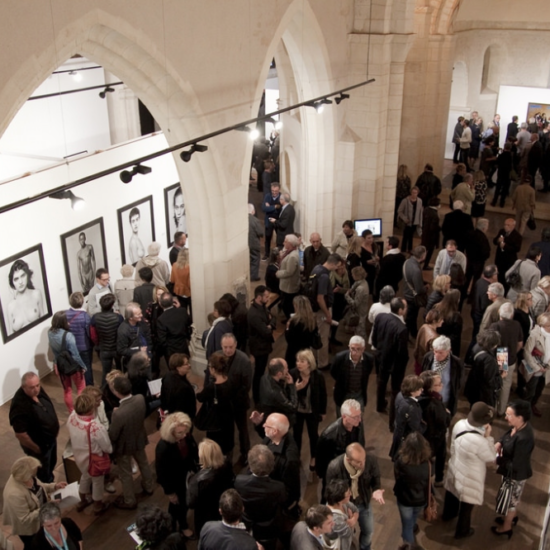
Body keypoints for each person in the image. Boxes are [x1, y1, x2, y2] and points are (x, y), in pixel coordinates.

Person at [442, 402, 496, 539]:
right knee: (466, 506)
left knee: (452, 492)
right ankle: (462, 531)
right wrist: (489, 437)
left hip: (456, 465)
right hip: (471, 475)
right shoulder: (480, 441)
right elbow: (490, 457)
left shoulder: (459, 424)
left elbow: (453, 445)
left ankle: (448, 515)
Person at [326, 443, 385, 550]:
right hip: (344, 506)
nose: (363, 464)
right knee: (348, 536)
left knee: (369, 531)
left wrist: (376, 489)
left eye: (364, 459)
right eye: (358, 462)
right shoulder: (334, 467)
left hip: (364, 502)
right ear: (349, 460)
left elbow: (376, 477)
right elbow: (331, 493)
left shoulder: (371, 460)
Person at [109, 376, 155, 509]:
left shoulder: (119, 414)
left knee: (125, 473)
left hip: (124, 446)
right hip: (139, 437)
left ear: (117, 392)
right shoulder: (140, 398)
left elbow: (113, 434)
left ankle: (129, 500)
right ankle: (149, 486)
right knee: (144, 463)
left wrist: (113, 416)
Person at [2, 457, 66, 550]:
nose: (35, 473)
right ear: (26, 475)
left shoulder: (27, 477)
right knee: (33, 545)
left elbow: (40, 487)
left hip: (40, 518)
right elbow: (25, 519)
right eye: (33, 472)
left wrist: (54, 486)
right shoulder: (14, 494)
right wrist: (46, 507)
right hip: (29, 529)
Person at [493, 400, 535, 538]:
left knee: (511, 502)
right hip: (509, 472)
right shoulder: (518, 427)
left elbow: (516, 464)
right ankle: (511, 518)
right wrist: (499, 442)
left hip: (516, 475)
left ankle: (506, 527)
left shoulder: (524, 437)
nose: (506, 417)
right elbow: (507, 435)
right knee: (511, 500)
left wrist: (497, 459)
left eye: (509, 415)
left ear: (520, 417)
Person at [9, 373, 60, 484]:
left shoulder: (36, 391)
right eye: (32, 387)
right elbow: (20, 434)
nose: (36, 389)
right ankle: (47, 490)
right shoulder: (20, 406)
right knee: (43, 472)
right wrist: (36, 449)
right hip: (40, 447)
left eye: (38, 385)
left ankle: (50, 480)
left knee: (51, 464)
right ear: (23, 387)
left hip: (49, 441)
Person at [235, 444, 286, 548]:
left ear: (250, 465)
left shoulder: (239, 482)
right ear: (272, 466)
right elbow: (283, 501)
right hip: (269, 526)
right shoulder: (278, 487)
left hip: (247, 523)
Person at [67, 393, 111, 514]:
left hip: (79, 457)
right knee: (97, 482)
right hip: (94, 460)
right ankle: (98, 505)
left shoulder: (71, 417)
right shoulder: (95, 427)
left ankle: (82, 501)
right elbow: (107, 447)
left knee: (85, 477)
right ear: (91, 409)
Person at [155, 412, 198, 538]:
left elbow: (193, 451)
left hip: (187, 476)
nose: (184, 435)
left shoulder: (186, 436)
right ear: (171, 432)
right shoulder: (163, 447)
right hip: (174, 481)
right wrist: (170, 493)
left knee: (183, 503)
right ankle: (179, 527)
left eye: (185, 431)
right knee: (176, 505)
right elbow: (161, 473)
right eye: (180, 433)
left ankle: (176, 526)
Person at [249, 412, 301, 515]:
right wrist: (259, 424)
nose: (264, 425)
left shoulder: (289, 459)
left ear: (274, 431)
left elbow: (290, 491)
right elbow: (267, 436)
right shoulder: (278, 435)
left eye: (266, 424)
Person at [372, 297, 409, 428]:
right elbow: (402, 352)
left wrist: (379, 351)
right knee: (395, 390)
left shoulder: (380, 317)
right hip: (395, 364)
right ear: (400, 310)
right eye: (405, 308)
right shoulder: (402, 328)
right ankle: (392, 421)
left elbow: (374, 337)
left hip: (381, 357)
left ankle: (379, 405)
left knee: (381, 382)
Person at [186, 438, 234, 536]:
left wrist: (188, 483)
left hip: (205, 515)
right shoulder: (226, 464)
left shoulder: (197, 480)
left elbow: (190, 503)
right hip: (222, 507)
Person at [315, 399, 365, 492]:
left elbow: (361, 444)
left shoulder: (358, 424)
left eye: (360, 415)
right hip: (336, 475)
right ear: (344, 416)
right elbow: (321, 460)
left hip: (352, 470)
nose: (359, 419)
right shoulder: (328, 435)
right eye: (355, 417)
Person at [290, 349, 327, 470]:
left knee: (313, 435)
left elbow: (323, 394)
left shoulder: (318, 376)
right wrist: (296, 388)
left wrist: (323, 411)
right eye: (297, 361)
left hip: (312, 411)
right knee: (296, 435)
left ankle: (314, 457)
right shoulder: (293, 374)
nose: (298, 364)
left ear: (309, 363)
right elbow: (288, 394)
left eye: (302, 361)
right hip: (298, 411)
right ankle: (296, 457)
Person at [393, 432, 431, 548]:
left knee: (407, 526)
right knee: (413, 519)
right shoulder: (427, 464)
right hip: (421, 499)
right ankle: (412, 527)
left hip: (405, 499)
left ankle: (408, 545)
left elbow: (397, 477)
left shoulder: (401, 462)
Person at [48, 311, 87, 412]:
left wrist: (55, 363)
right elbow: (75, 355)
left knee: (67, 390)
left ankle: (71, 412)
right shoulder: (68, 336)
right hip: (73, 366)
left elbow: (54, 351)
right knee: (80, 388)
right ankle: (81, 409)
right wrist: (83, 366)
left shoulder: (50, 333)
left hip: (61, 365)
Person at [489, 302, 524, 415]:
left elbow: (490, 344)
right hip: (511, 357)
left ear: (500, 313)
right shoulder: (517, 325)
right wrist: (513, 353)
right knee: (506, 385)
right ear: (512, 315)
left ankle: (492, 408)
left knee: (495, 384)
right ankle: (501, 410)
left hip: (500, 355)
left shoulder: (496, 326)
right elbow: (520, 344)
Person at [418, 371, 449, 486]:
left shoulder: (419, 399)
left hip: (425, 436)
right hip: (435, 437)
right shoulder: (434, 404)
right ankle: (438, 479)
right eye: (438, 384)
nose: (442, 385)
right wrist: (447, 414)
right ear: (430, 388)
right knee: (439, 456)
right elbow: (444, 422)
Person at [421, 335, 463, 416]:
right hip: (428, 399)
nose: (437, 355)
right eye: (435, 351)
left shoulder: (457, 363)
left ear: (448, 351)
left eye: (441, 353)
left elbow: (458, 383)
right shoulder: (428, 357)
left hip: (445, 399)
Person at [247, 285, 276, 403]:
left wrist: (271, 324)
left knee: (261, 370)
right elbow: (266, 332)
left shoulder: (262, 307)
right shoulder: (254, 314)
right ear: (259, 297)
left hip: (263, 345)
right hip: (259, 347)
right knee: (258, 372)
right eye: (266, 297)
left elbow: (273, 318)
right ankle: (257, 397)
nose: (268, 299)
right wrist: (269, 326)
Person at [311, 254, 340, 369]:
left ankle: (313, 359)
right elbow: (320, 298)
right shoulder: (324, 276)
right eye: (337, 266)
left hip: (313, 309)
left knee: (314, 334)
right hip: (322, 310)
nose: (337, 268)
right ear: (332, 264)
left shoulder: (316, 268)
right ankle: (323, 363)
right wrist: (328, 315)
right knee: (323, 337)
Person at [330, 336, 373, 414]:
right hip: (343, 393)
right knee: (342, 419)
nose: (355, 352)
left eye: (358, 349)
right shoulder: (340, 358)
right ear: (349, 347)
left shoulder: (369, 359)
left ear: (363, 349)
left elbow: (367, 373)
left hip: (359, 394)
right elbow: (333, 372)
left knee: (358, 419)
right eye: (352, 349)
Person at [464, 330, 504, 408]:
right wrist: (501, 377)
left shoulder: (476, 347)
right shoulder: (489, 359)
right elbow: (490, 381)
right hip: (483, 394)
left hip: (473, 387)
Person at [389, 375, 425, 460]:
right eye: (419, 389)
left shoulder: (400, 395)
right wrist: (425, 425)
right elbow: (416, 428)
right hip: (406, 439)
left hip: (398, 432)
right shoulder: (411, 408)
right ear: (412, 392)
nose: (422, 390)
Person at [91, 293, 123, 387]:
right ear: (112, 305)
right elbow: (121, 334)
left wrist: (97, 344)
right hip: (116, 348)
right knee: (119, 370)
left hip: (103, 349)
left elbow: (93, 335)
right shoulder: (118, 318)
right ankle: (120, 388)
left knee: (106, 372)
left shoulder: (95, 318)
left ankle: (104, 392)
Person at [6, 259, 44, 335]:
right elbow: (11, 334)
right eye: (16, 279)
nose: (20, 282)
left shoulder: (36, 294)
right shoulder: (10, 307)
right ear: (12, 283)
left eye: (22, 276)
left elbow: (44, 321)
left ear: (27, 275)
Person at [523, 312, 550, 417]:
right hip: (535, 368)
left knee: (540, 390)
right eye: (549, 326)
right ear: (542, 325)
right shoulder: (534, 335)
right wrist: (537, 367)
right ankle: (525, 410)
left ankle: (533, 405)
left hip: (546, 369)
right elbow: (526, 352)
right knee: (531, 391)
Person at [66, 291, 94, 386]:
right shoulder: (85, 316)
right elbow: (89, 332)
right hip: (84, 346)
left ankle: (80, 386)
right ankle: (89, 387)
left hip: (71, 347)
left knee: (76, 368)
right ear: (82, 301)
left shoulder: (65, 315)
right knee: (87, 367)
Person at [284, 295, 318, 370]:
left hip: (294, 351)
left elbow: (289, 339)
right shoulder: (312, 319)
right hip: (306, 350)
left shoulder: (294, 322)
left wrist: (287, 328)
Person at [117, 301, 152, 368]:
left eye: (141, 313)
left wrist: (149, 352)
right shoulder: (123, 330)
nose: (141, 315)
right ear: (130, 317)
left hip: (147, 358)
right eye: (138, 314)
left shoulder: (141, 322)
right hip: (134, 362)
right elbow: (121, 350)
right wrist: (139, 350)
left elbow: (148, 337)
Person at [157, 291, 191, 361]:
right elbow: (189, 323)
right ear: (173, 301)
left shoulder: (161, 319)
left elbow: (162, 340)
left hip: (171, 352)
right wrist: (179, 308)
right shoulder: (182, 311)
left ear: (160, 303)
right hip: (183, 347)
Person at [325, 480, 359, 550]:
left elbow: (355, 510)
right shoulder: (334, 518)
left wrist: (353, 519)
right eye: (348, 494)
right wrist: (352, 518)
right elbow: (348, 533)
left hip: (348, 542)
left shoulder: (343, 503)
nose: (351, 494)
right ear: (339, 500)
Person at [402, 246, 427, 338]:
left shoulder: (407, 262)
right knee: (412, 317)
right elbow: (419, 289)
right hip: (413, 297)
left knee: (410, 315)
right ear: (423, 256)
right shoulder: (416, 269)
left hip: (406, 291)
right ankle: (411, 333)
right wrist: (426, 288)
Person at [276, 234, 301, 319]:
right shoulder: (289, 252)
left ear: (290, 244)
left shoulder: (293, 256)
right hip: (286, 286)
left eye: (285, 241)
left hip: (289, 287)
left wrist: (278, 273)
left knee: (288, 307)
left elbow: (289, 272)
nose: (283, 243)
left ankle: (291, 321)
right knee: (286, 305)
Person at [493, 218, 523, 291]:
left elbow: (517, 249)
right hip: (499, 259)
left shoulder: (517, 236)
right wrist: (498, 240)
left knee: (506, 279)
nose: (506, 226)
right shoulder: (502, 231)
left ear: (513, 226)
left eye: (508, 225)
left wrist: (505, 246)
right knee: (499, 277)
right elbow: (494, 241)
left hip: (508, 262)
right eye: (505, 224)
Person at [464, 218, 491, 293]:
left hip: (469, 260)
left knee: (467, 277)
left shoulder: (470, 234)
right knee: (476, 280)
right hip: (478, 263)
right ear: (484, 228)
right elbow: (486, 252)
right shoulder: (483, 238)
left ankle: (463, 293)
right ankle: (472, 297)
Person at [434, 288, 463, 357]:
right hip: (449, 344)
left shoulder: (436, 307)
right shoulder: (456, 316)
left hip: (436, 339)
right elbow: (456, 336)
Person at [344, 266, 370, 339]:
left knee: (360, 330)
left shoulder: (360, 288)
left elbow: (355, 304)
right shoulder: (363, 282)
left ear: (357, 275)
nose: (352, 275)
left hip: (360, 311)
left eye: (353, 274)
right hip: (362, 308)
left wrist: (347, 296)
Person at [414, 309, 442, 373]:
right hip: (425, 364)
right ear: (435, 321)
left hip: (418, 359)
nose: (443, 321)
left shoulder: (424, 326)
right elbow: (433, 355)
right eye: (441, 320)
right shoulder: (434, 337)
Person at [397, 187, 423, 254]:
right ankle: (403, 249)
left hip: (415, 221)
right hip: (407, 222)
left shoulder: (419, 201)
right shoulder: (405, 201)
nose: (414, 194)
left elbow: (420, 212)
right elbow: (399, 211)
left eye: (416, 193)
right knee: (405, 236)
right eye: (413, 192)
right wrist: (405, 218)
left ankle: (410, 249)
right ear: (411, 192)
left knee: (411, 236)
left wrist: (420, 222)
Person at [262, 182, 281, 260]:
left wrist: (270, 207)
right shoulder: (267, 196)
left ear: (279, 190)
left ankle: (277, 255)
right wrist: (275, 207)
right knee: (268, 237)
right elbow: (264, 208)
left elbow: (280, 210)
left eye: (276, 191)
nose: (274, 192)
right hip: (269, 220)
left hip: (277, 220)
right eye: (272, 190)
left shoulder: (281, 197)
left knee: (279, 238)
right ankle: (266, 254)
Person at [420, 197, 441, 270]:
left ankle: (419, 262)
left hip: (425, 233)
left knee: (423, 250)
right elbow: (433, 228)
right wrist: (439, 228)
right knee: (429, 252)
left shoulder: (426, 210)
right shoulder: (435, 215)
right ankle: (426, 265)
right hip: (431, 237)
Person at [170, 248, 192, 313]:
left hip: (179, 291)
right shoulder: (190, 266)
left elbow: (172, 280)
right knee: (192, 311)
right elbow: (189, 283)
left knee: (182, 310)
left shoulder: (174, 265)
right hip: (189, 291)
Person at [248, 204, 264, 281]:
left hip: (245, 245)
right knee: (255, 259)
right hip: (254, 244)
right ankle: (253, 276)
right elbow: (261, 232)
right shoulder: (255, 220)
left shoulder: (241, 219)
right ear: (253, 211)